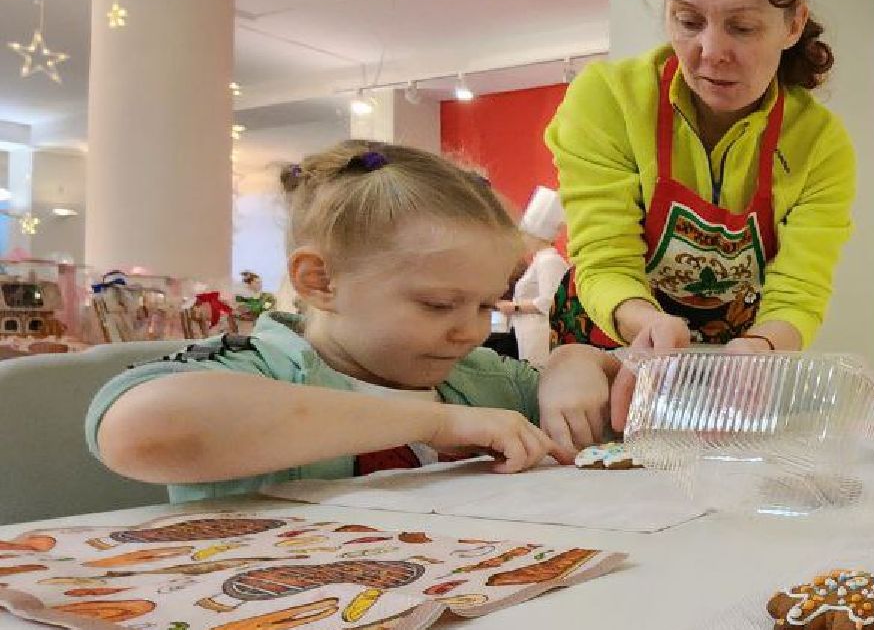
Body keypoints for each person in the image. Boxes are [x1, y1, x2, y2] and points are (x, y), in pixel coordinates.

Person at [88, 141, 624, 501]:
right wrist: (438, 425)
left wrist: (575, 361)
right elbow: (140, 431)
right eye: (438, 305)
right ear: (319, 281)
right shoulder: (256, 370)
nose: (473, 331)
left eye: (486, 304)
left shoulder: (479, 379)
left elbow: (619, 414)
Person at [546, 0, 854, 352]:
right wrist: (647, 325)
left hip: (735, 348)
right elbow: (606, 261)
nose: (711, 52)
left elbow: (799, 292)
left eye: (743, 27)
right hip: (604, 336)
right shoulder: (607, 100)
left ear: (792, 25)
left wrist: (761, 349)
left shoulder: (818, 143)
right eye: (688, 22)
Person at [497, 186, 571, 366]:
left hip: (539, 334)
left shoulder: (549, 261)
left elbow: (549, 302)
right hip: (526, 332)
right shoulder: (538, 261)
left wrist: (512, 307)